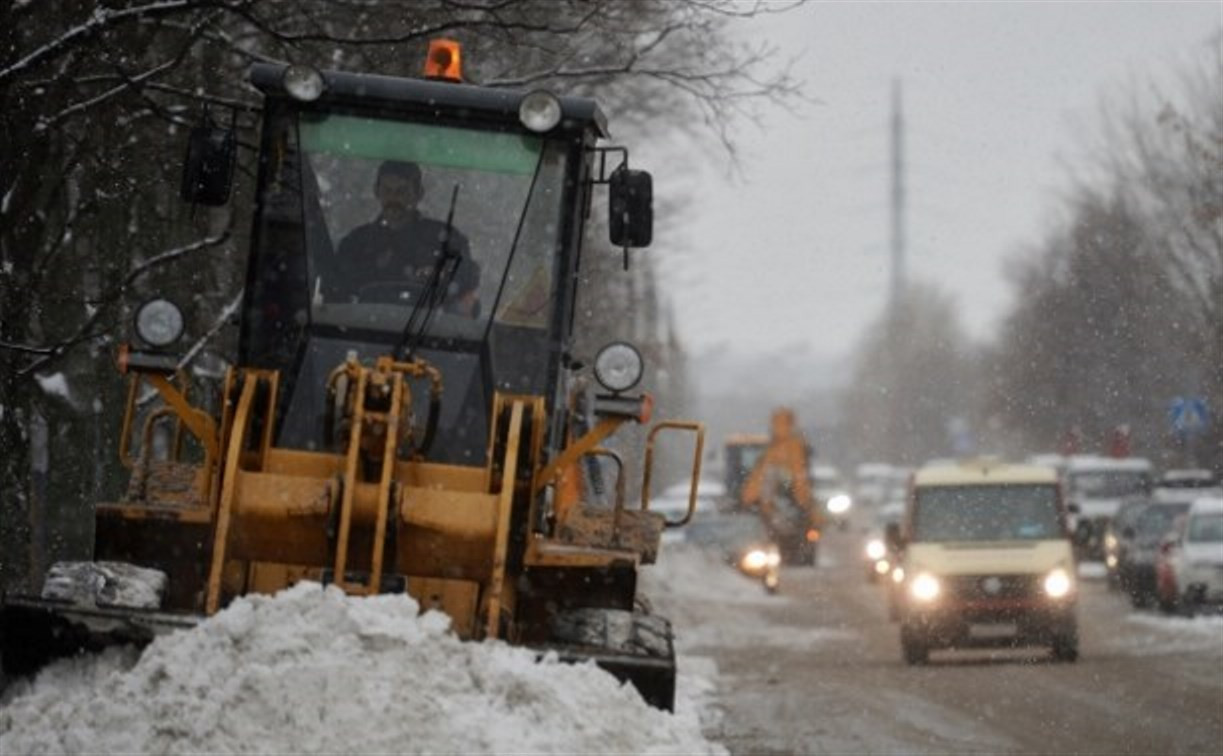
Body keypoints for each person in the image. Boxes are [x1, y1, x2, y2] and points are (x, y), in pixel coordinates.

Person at [331, 160, 479, 315]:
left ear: (419, 194)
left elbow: (467, 279)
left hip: (429, 333)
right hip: (361, 333)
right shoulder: (355, 244)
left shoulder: (446, 241)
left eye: (402, 191)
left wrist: (441, 276)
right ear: (376, 192)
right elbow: (337, 292)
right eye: (387, 190)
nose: (393, 199)